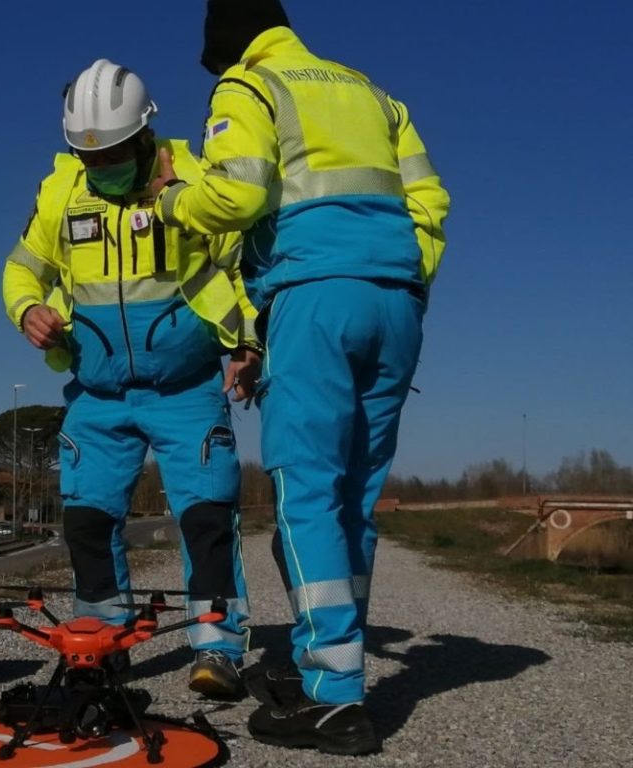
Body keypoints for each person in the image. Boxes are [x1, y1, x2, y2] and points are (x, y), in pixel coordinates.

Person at [151, 0, 450, 754]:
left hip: (315, 298)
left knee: (306, 490)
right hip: (396, 303)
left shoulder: (251, 86)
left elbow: (240, 191)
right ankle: (334, 668)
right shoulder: (370, 90)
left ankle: (332, 694)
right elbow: (431, 201)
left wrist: (175, 200)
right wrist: (406, 276)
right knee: (355, 496)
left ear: (228, 47)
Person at [2, 59, 263, 698]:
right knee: (86, 522)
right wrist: (27, 310)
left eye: (116, 152)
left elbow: (240, 267)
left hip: (187, 389)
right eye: (90, 156)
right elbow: (20, 269)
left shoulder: (191, 177)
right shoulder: (61, 193)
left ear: (146, 134)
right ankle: (102, 644)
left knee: (205, 518)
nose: (104, 165)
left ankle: (216, 647)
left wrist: (247, 343)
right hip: (97, 395)